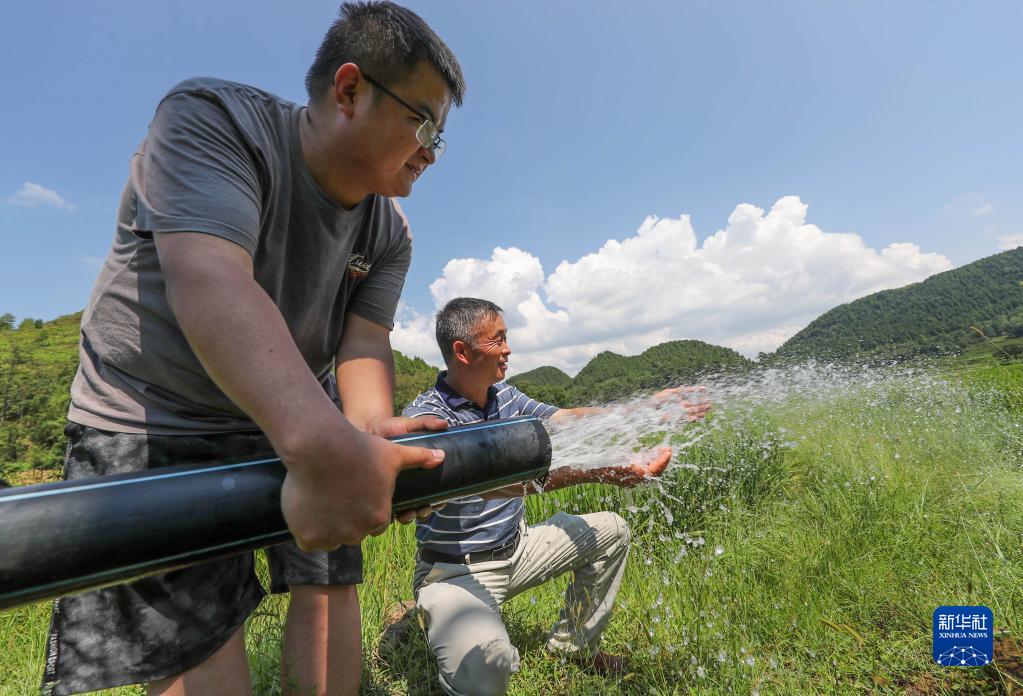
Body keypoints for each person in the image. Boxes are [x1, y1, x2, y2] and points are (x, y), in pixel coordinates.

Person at [42, 3, 465, 695]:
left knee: (330, 577)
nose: (430, 149)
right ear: (350, 90)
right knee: (196, 639)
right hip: (157, 410)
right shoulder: (212, 121)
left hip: (291, 398)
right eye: (423, 122)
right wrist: (323, 447)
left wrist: (365, 430)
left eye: (440, 136)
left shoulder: (389, 230)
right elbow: (210, 277)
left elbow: (363, 338)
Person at [400, 298, 711, 696]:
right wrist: (598, 473)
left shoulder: (506, 397)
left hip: (518, 549)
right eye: (498, 340)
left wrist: (642, 410)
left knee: (611, 531)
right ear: (462, 351)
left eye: (507, 338)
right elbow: (494, 485)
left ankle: (573, 648)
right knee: (489, 664)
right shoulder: (428, 420)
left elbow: (563, 420)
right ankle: (448, 629)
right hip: (455, 572)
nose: (508, 349)